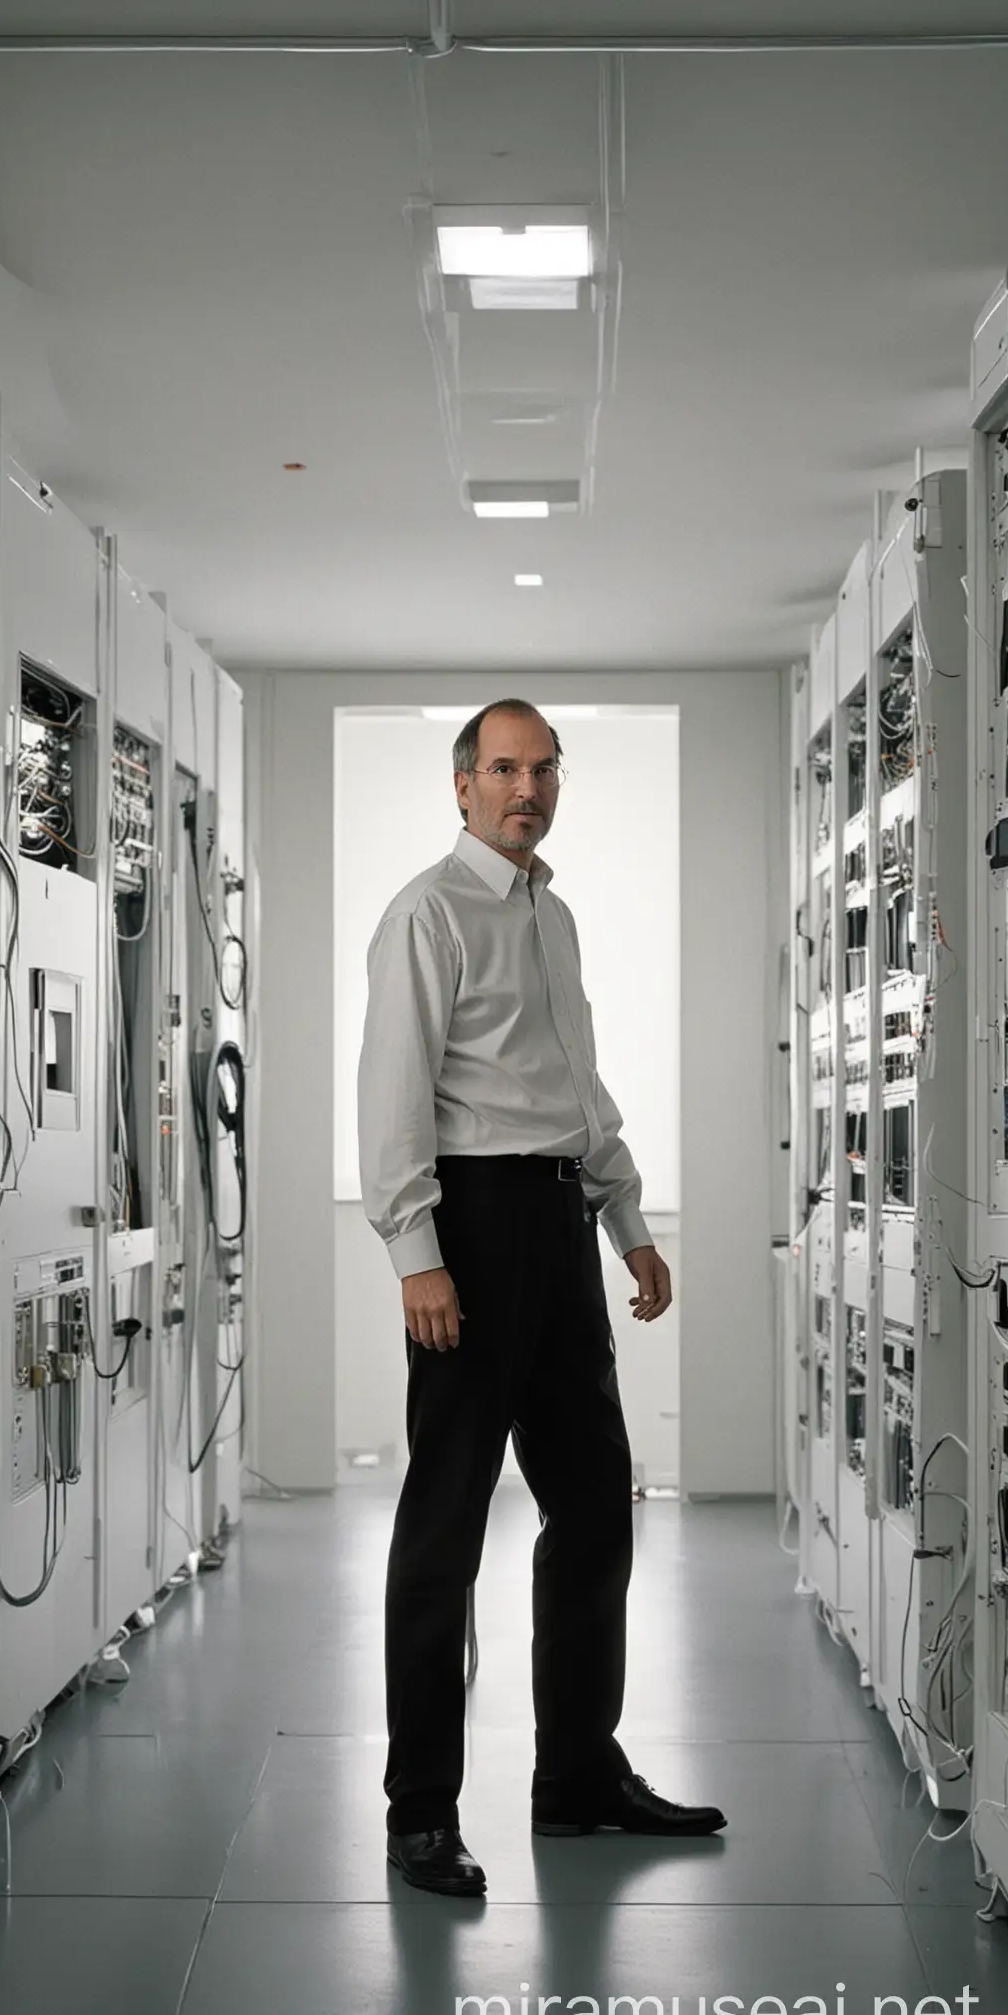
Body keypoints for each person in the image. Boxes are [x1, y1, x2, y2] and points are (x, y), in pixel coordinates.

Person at [357, 698, 726, 1897]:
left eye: (545, 769)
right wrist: (418, 1251)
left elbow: (579, 1081)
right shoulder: (427, 912)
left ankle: (574, 1778)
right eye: (505, 768)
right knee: (444, 1527)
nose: (527, 788)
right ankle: (422, 1813)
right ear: (461, 786)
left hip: (561, 1222)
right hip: (470, 1226)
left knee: (597, 1509)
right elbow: (395, 1093)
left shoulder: (551, 917)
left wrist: (627, 1226)